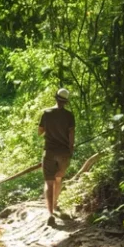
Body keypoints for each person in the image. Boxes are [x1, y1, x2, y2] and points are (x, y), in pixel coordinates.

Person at [38, 88, 75, 226]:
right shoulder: (69, 116)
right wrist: (70, 150)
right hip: (64, 153)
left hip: (49, 152)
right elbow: (71, 136)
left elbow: (40, 132)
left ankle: (50, 214)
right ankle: (54, 205)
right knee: (58, 179)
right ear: (65, 102)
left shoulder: (47, 113)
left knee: (49, 182)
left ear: (55, 98)